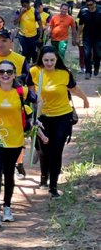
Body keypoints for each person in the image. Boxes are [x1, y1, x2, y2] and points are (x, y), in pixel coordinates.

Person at [0, 60, 41, 228]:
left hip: (14, 140)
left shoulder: (22, 91)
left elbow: (38, 101)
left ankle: (7, 206)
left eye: (8, 72)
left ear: (14, 74)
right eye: (1, 72)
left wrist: (36, 119)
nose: (5, 75)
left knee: (8, 173)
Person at [30, 46, 90, 197]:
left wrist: (84, 98)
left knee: (57, 151)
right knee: (44, 150)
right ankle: (44, 177)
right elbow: (28, 91)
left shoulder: (64, 73)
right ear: (41, 60)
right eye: (46, 60)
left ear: (57, 60)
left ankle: (53, 187)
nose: (49, 63)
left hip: (62, 116)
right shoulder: (34, 72)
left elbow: (74, 89)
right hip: (42, 117)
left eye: (52, 60)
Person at [14, 0, 43, 67]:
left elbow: (40, 24)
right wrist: (21, 13)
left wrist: (40, 36)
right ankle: (25, 66)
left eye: (25, 5)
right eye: (22, 6)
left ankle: (34, 65)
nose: (24, 7)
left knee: (33, 52)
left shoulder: (34, 11)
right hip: (22, 35)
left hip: (33, 35)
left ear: (29, 4)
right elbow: (15, 22)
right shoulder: (19, 11)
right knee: (25, 51)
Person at [77, 0, 101, 78]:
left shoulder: (100, 10)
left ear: (95, 3)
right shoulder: (83, 11)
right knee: (87, 54)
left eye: (91, 5)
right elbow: (80, 25)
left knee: (97, 54)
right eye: (88, 5)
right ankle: (88, 71)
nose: (89, 7)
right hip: (87, 36)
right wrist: (78, 37)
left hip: (98, 36)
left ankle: (97, 66)